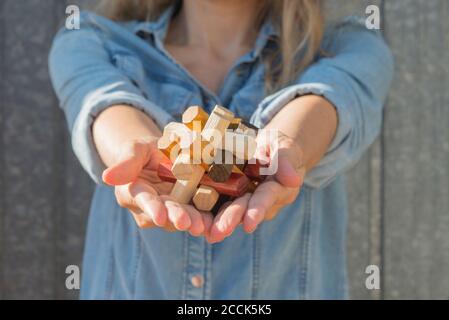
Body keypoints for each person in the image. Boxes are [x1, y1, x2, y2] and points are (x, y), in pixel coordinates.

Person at [49, 0, 394, 299]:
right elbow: (102, 103)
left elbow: (330, 96)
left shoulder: (351, 45)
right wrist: (133, 149)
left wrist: (289, 145)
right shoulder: (89, 39)